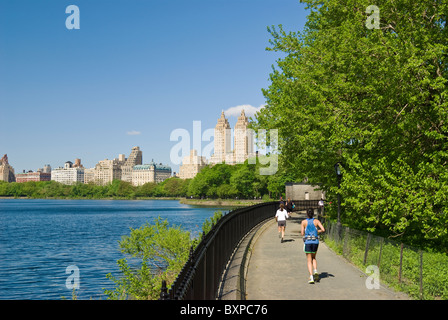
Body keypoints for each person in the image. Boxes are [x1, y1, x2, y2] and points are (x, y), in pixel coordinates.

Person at [301, 208, 325, 284]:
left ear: (307, 214)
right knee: (314, 257)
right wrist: (317, 231)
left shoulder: (304, 222)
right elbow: (323, 229)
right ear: (313, 213)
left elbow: (302, 233)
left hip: (308, 242)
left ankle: (311, 277)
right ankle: (315, 271)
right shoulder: (316, 221)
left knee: (309, 260)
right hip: (315, 242)